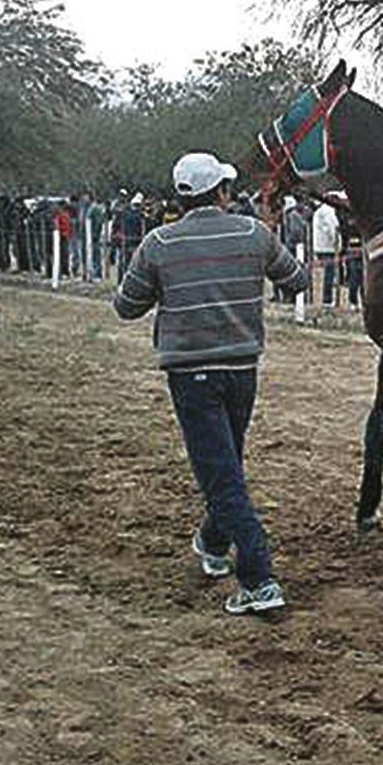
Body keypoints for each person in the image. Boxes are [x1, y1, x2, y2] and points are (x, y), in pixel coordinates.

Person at [113, 152, 308, 615]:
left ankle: (259, 578)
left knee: (221, 474)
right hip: (242, 371)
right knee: (227, 465)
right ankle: (212, 542)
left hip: (190, 375)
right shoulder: (252, 233)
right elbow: (296, 280)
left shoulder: (158, 243)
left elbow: (126, 306)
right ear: (221, 193)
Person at [311, 195, 342, 307]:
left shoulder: (319, 211)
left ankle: (325, 298)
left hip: (319, 245)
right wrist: (338, 245)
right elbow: (334, 228)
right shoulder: (328, 211)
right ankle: (327, 299)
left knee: (325, 274)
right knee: (329, 274)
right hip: (327, 247)